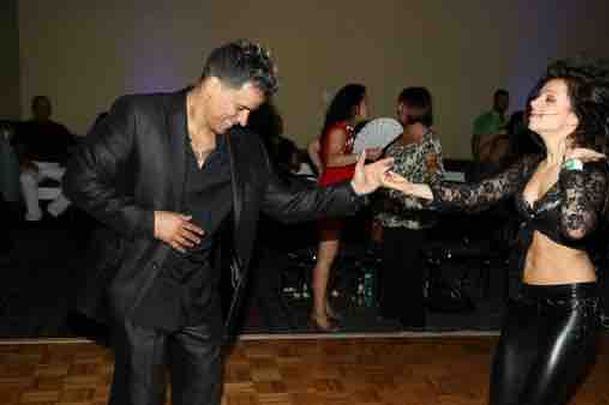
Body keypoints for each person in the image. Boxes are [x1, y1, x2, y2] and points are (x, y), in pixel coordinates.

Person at [63, 39, 392, 405]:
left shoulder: (246, 149)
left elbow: (288, 203)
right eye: (240, 107)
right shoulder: (140, 116)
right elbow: (78, 180)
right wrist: (150, 221)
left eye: (251, 111)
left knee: (204, 393)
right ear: (213, 85)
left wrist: (355, 189)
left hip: (200, 295)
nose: (244, 120)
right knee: (140, 395)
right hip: (142, 286)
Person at [383, 60, 609, 405]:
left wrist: (573, 163)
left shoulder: (591, 168)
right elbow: (476, 194)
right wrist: (408, 186)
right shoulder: (531, 165)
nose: (534, 102)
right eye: (537, 96)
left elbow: (575, 226)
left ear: (574, 119)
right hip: (523, 301)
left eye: (549, 99)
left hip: (570, 307)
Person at [309, 83, 382, 331]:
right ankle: (318, 314)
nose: (367, 106)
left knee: (329, 256)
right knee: (326, 258)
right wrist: (363, 155)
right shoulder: (341, 128)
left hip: (336, 196)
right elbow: (333, 159)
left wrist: (321, 171)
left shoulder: (346, 129)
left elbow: (314, 147)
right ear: (354, 106)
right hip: (332, 198)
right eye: (365, 101)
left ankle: (322, 305)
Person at [375, 87, 443, 329]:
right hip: (390, 214)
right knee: (390, 266)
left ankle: (413, 321)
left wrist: (413, 194)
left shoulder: (429, 141)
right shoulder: (395, 139)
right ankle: (390, 312)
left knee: (410, 269)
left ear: (414, 108)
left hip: (415, 217)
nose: (398, 109)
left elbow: (436, 180)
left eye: (401, 105)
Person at [16, 95, 76, 221]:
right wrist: (25, 162)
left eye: (47, 107)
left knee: (80, 179)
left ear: (50, 110)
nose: (44, 109)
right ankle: (34, 215)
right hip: (34, 165)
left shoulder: (59, 128)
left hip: (56, 167)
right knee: (25, 177)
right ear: (34, 109)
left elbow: (73, 148)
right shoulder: (25, 127)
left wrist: (72, 161)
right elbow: (20, 149)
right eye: (41, 107)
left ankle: (53, 209)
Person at [472, 89, 509, 161]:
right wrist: (477, 160)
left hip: (502, 161)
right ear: (495, 101)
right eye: (501, 100)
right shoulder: (483, 119)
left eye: (506, 100)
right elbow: (475, 139)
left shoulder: (508, 120)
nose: (504, 103)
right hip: (486, 159)